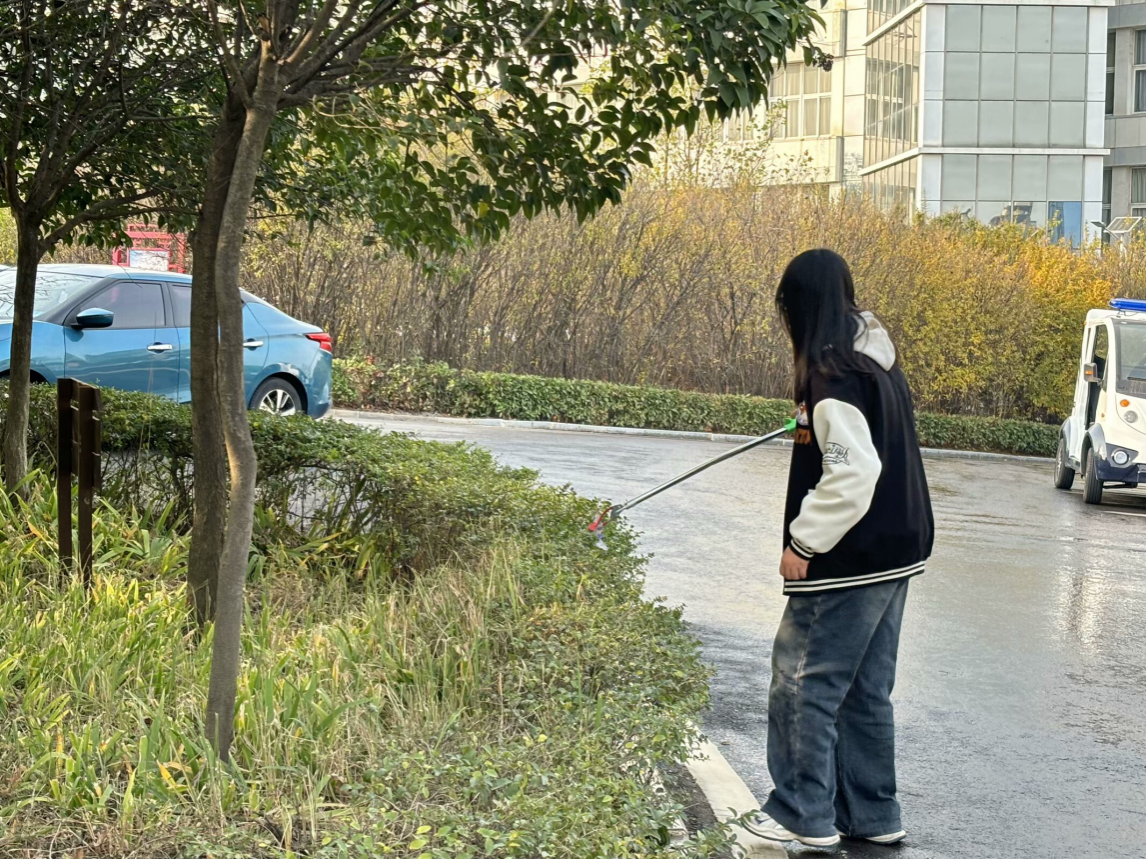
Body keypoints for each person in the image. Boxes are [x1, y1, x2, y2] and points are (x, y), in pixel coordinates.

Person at [744, 248, 934, 849]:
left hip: (849, 558)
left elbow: (853, 474)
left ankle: (800, 812)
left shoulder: (832, 375)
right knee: (864, 689)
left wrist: (804, 541)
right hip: (898, 548)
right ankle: (871, 815)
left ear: (796, 306)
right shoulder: (875, 362)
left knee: (803, 680)